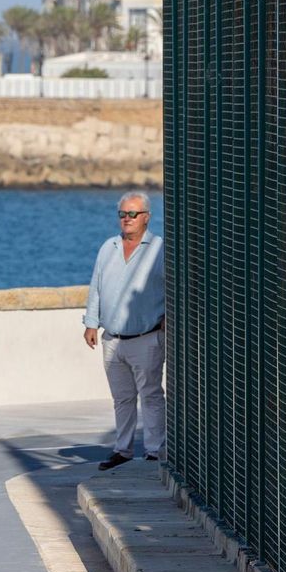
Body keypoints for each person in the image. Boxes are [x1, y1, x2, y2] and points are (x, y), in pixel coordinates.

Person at [83, 190, 167, 471]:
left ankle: (156, 451)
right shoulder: (108, 248)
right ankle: (123, 450)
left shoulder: (160, 249)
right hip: (112, 339)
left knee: (151, 396)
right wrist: (91, 323)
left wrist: (168, 318)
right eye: (123, 214)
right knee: (122, 398)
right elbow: (96, 285)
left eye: (133, 214)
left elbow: (175, 288)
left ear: (146, 218)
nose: (127, 219)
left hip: (146, 338)